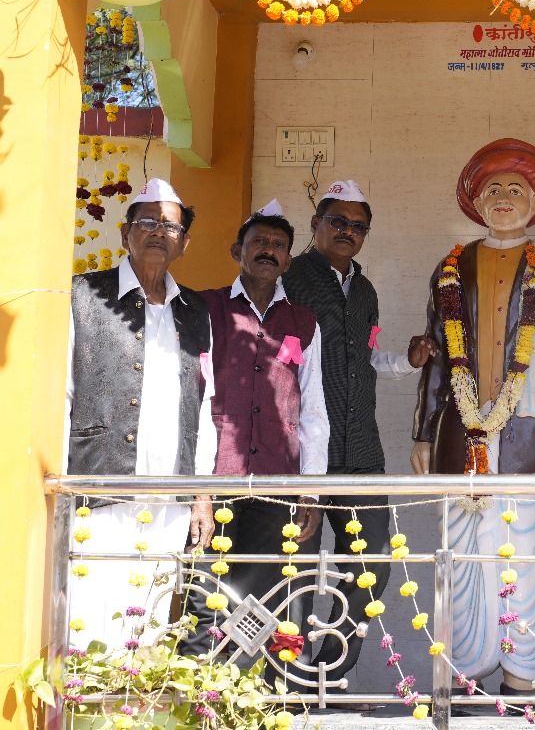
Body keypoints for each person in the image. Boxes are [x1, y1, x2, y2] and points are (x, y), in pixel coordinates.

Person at [411, 138, 535, 698]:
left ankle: (519, 678)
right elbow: (438, 356)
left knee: (520, 560)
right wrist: (424, 432)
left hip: (529, 433)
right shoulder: (450, 267)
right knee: (458, 560)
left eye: (516, 188)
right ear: (476, 202)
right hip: (456, 434)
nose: (504, 197)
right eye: (493, 189)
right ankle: (461, 678)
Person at [281, 180, 432, 691]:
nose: (348, 232)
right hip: (303, 454)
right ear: (315, 225)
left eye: (358, 226)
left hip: (361, 451)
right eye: (337, 221)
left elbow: (366, 356)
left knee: (373, 566)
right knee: (295, 573)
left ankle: (327, 674)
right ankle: (286, 684)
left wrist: (407, 362)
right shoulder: (289, 278)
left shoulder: (365, 291)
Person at [64, 178, 216, 649]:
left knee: (148, 616)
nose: (157, 232)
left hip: (170, 491)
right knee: (88, 610)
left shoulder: (195, 310)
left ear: (184, 243)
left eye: (169, 226)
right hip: (98, 482)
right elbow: (62, 393)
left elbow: (205, 404)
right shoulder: (83, 296)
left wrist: (201, 493)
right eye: (147, 221)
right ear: (125, 232)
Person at [183, 200, 328, 662]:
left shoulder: (304, 322)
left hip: (276, 485)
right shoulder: (205, 308)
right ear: (237, 252)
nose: (268, 250)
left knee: (260, 600)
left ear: (288, 260)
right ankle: (196, 690)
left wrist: (311, 492)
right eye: (259, 242)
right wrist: (199, 492)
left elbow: (313, 410)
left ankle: (245, 690)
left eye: (278, 245)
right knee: (204, 596)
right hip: (217, 479)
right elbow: (192, 400)